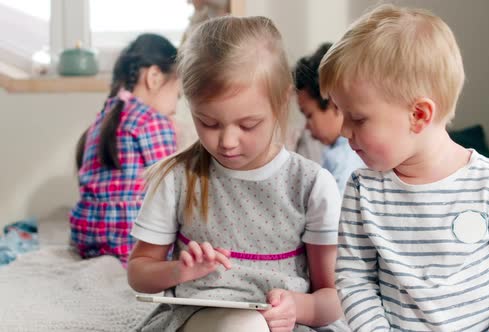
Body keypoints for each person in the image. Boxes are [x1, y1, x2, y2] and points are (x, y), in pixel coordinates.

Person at [319, 4, 489, 331]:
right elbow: (355, 278)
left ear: (419, 116)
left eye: (357, 118)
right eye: (341, 115)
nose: (344, 131)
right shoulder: (363, 189)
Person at [127, 16, 346, 332]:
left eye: (247, 125)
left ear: (282, 100)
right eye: (209, 123)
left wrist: (297, 307)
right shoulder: (178, 178)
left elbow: (332, 297)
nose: (227, 142)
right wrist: (180, 271)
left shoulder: (311, 185)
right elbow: (139, 272)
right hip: (201, 320)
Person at [70, 33, 179, 266]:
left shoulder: (103, 118)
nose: (175, 107)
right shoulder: (152, 121)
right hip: (128, 239)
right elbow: (171, 185)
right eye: (176, 95)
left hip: (86, 235)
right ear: (155, 77)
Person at [294, 43, 365, 194]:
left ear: (334, 104)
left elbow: (334, 213)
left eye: (309, 115)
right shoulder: (335, 152)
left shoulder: (346, 156)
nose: (307, 127)